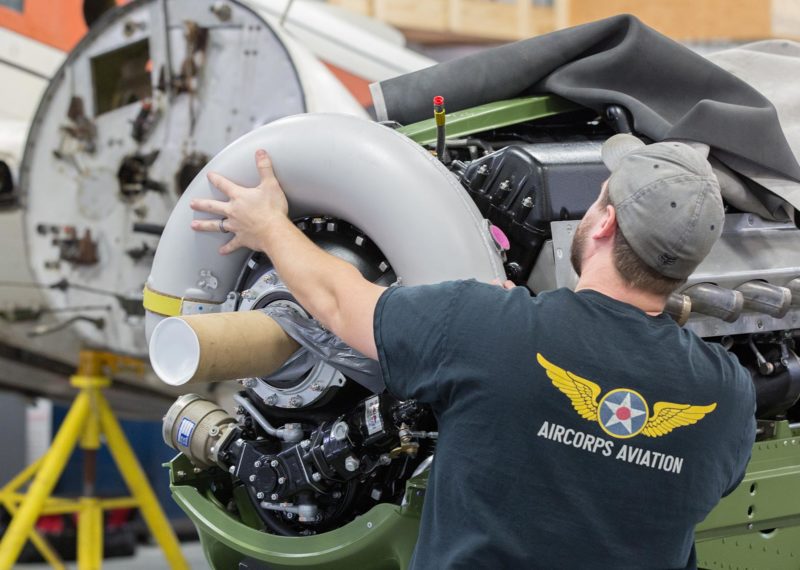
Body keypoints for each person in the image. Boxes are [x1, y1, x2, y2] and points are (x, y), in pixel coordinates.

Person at [189, 134, 756, 569]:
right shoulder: (727, 397)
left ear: (603, 220)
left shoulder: (485, 328)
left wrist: (267, 226)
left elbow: (338, 301)